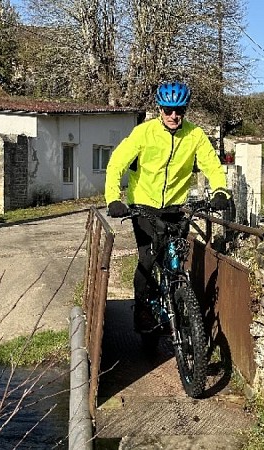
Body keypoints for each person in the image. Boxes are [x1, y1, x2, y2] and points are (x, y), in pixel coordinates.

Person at [104, 81, 231, 331]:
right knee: (148, 260)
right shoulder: (144, 133)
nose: (174, 116)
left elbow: (212, 166)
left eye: (179, 110)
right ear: (159, 109)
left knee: (175, 259)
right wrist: (113, 199)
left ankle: (177, 302)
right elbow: (116, 164)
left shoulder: (195, 135)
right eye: (168, 110)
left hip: (174, 207)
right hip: (143, 207)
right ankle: (142, 309)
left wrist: (220, 190)